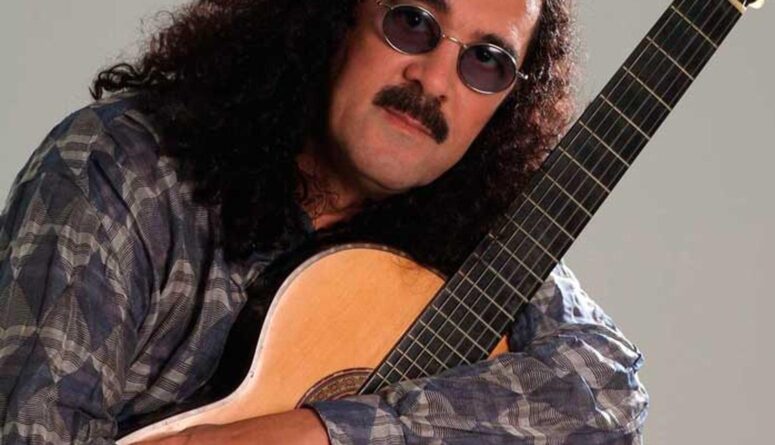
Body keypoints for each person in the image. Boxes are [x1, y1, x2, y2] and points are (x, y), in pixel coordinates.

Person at [0, 0, 648, 443]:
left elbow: (607, 390)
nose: (434, 80)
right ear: (333, 18)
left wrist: (318, 432)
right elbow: (33, 428)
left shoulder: (484, 251)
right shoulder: (122, 169)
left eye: (486, 62)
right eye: (413, 22)